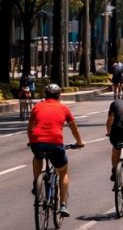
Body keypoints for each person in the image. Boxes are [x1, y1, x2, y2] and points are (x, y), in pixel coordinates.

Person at [28, 83, 85, 218]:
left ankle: (37, 183)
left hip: (37, 142)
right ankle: (63, 205)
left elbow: (30, 126)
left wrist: (31, 140)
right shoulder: (64, 108)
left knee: (37, 157)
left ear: (45, 95)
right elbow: (74, 128)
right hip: (55, 143)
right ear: (59, 95)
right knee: (63, 172)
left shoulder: (37, 107)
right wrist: (79, 142)